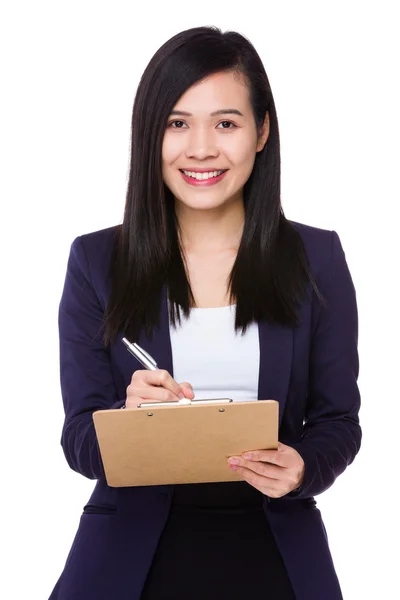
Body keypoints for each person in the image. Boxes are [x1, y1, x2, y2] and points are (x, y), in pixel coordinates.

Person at [49, 25, 361, 600]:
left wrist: (301, 469)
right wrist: (125, 421)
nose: (200, 149)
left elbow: (339, 421)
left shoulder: (316, 257)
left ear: (262, 132)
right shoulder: (97, 261)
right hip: (130, 559)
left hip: (274, 552)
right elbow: (77, 439)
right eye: (176, 123)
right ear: (151, 136)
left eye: (225, 123)